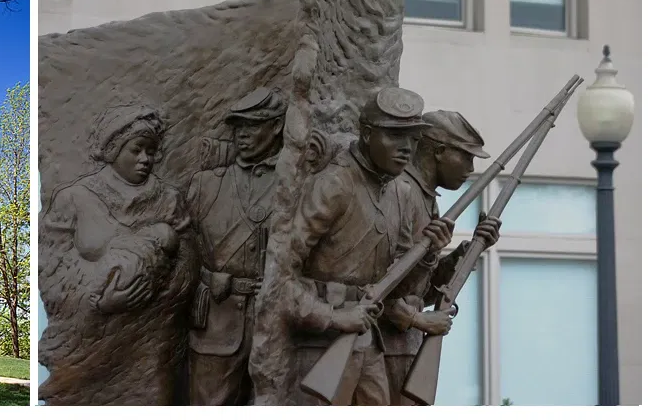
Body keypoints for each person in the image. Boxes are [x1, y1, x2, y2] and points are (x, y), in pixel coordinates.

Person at [286, 88, 453, 406]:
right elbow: (279, 276)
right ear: (366, 133)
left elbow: (398, 286)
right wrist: (333, 318)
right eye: (395, 136)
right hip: (321, 343)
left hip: (367, 340)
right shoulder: (334, 185)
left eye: (413, 139)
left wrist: (429, 253)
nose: (406, 149)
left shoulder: (398, 193)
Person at [39, 103, 198, 404]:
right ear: (113, 149)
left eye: (151, 152)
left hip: (150, 342)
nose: (145, 159)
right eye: (136, 150)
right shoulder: (73, 199)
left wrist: (150, 295)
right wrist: (99, 300)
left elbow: (188, 266)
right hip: (88, 343)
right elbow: (52, 268)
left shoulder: (168, 200)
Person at [383, 111, 501, 402]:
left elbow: (421, 291)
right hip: (382, 347)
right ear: (439, 151)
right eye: (466, 157)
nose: (471, 169)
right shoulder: (400, 193)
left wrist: (469, 251)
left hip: (403, 344)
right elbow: (375, 285)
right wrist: (419, 321)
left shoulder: (426, 199)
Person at [185, 88, 286, 404]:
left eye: (253, 126)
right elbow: (184, 247)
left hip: (274, 323)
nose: (243, 135)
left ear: (276, 128)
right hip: (217, 321)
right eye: (238, 127)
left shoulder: (294, 182)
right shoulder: (206, 184)